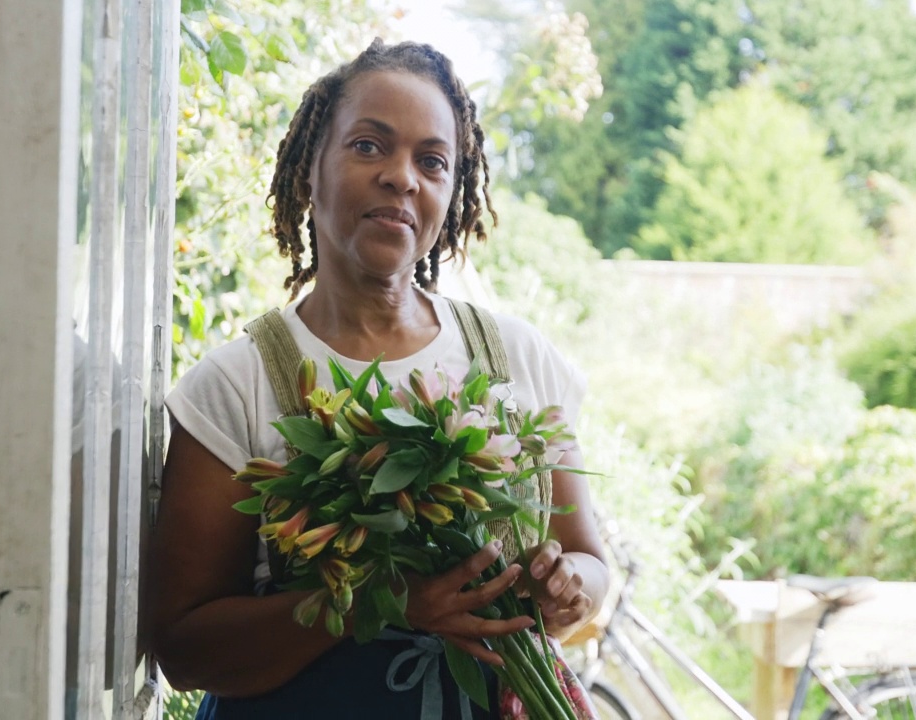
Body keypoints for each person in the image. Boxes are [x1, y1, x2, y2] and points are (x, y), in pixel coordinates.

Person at [145, 38, 609, 719]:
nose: (402, 177)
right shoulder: (237, 384)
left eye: (432, 161)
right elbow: (183, 650)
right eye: (369, 146)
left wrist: (570, 588)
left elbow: (589, 566)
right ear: (310, 168)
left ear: (451, 194)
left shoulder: (516, 358)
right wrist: (367, 602)